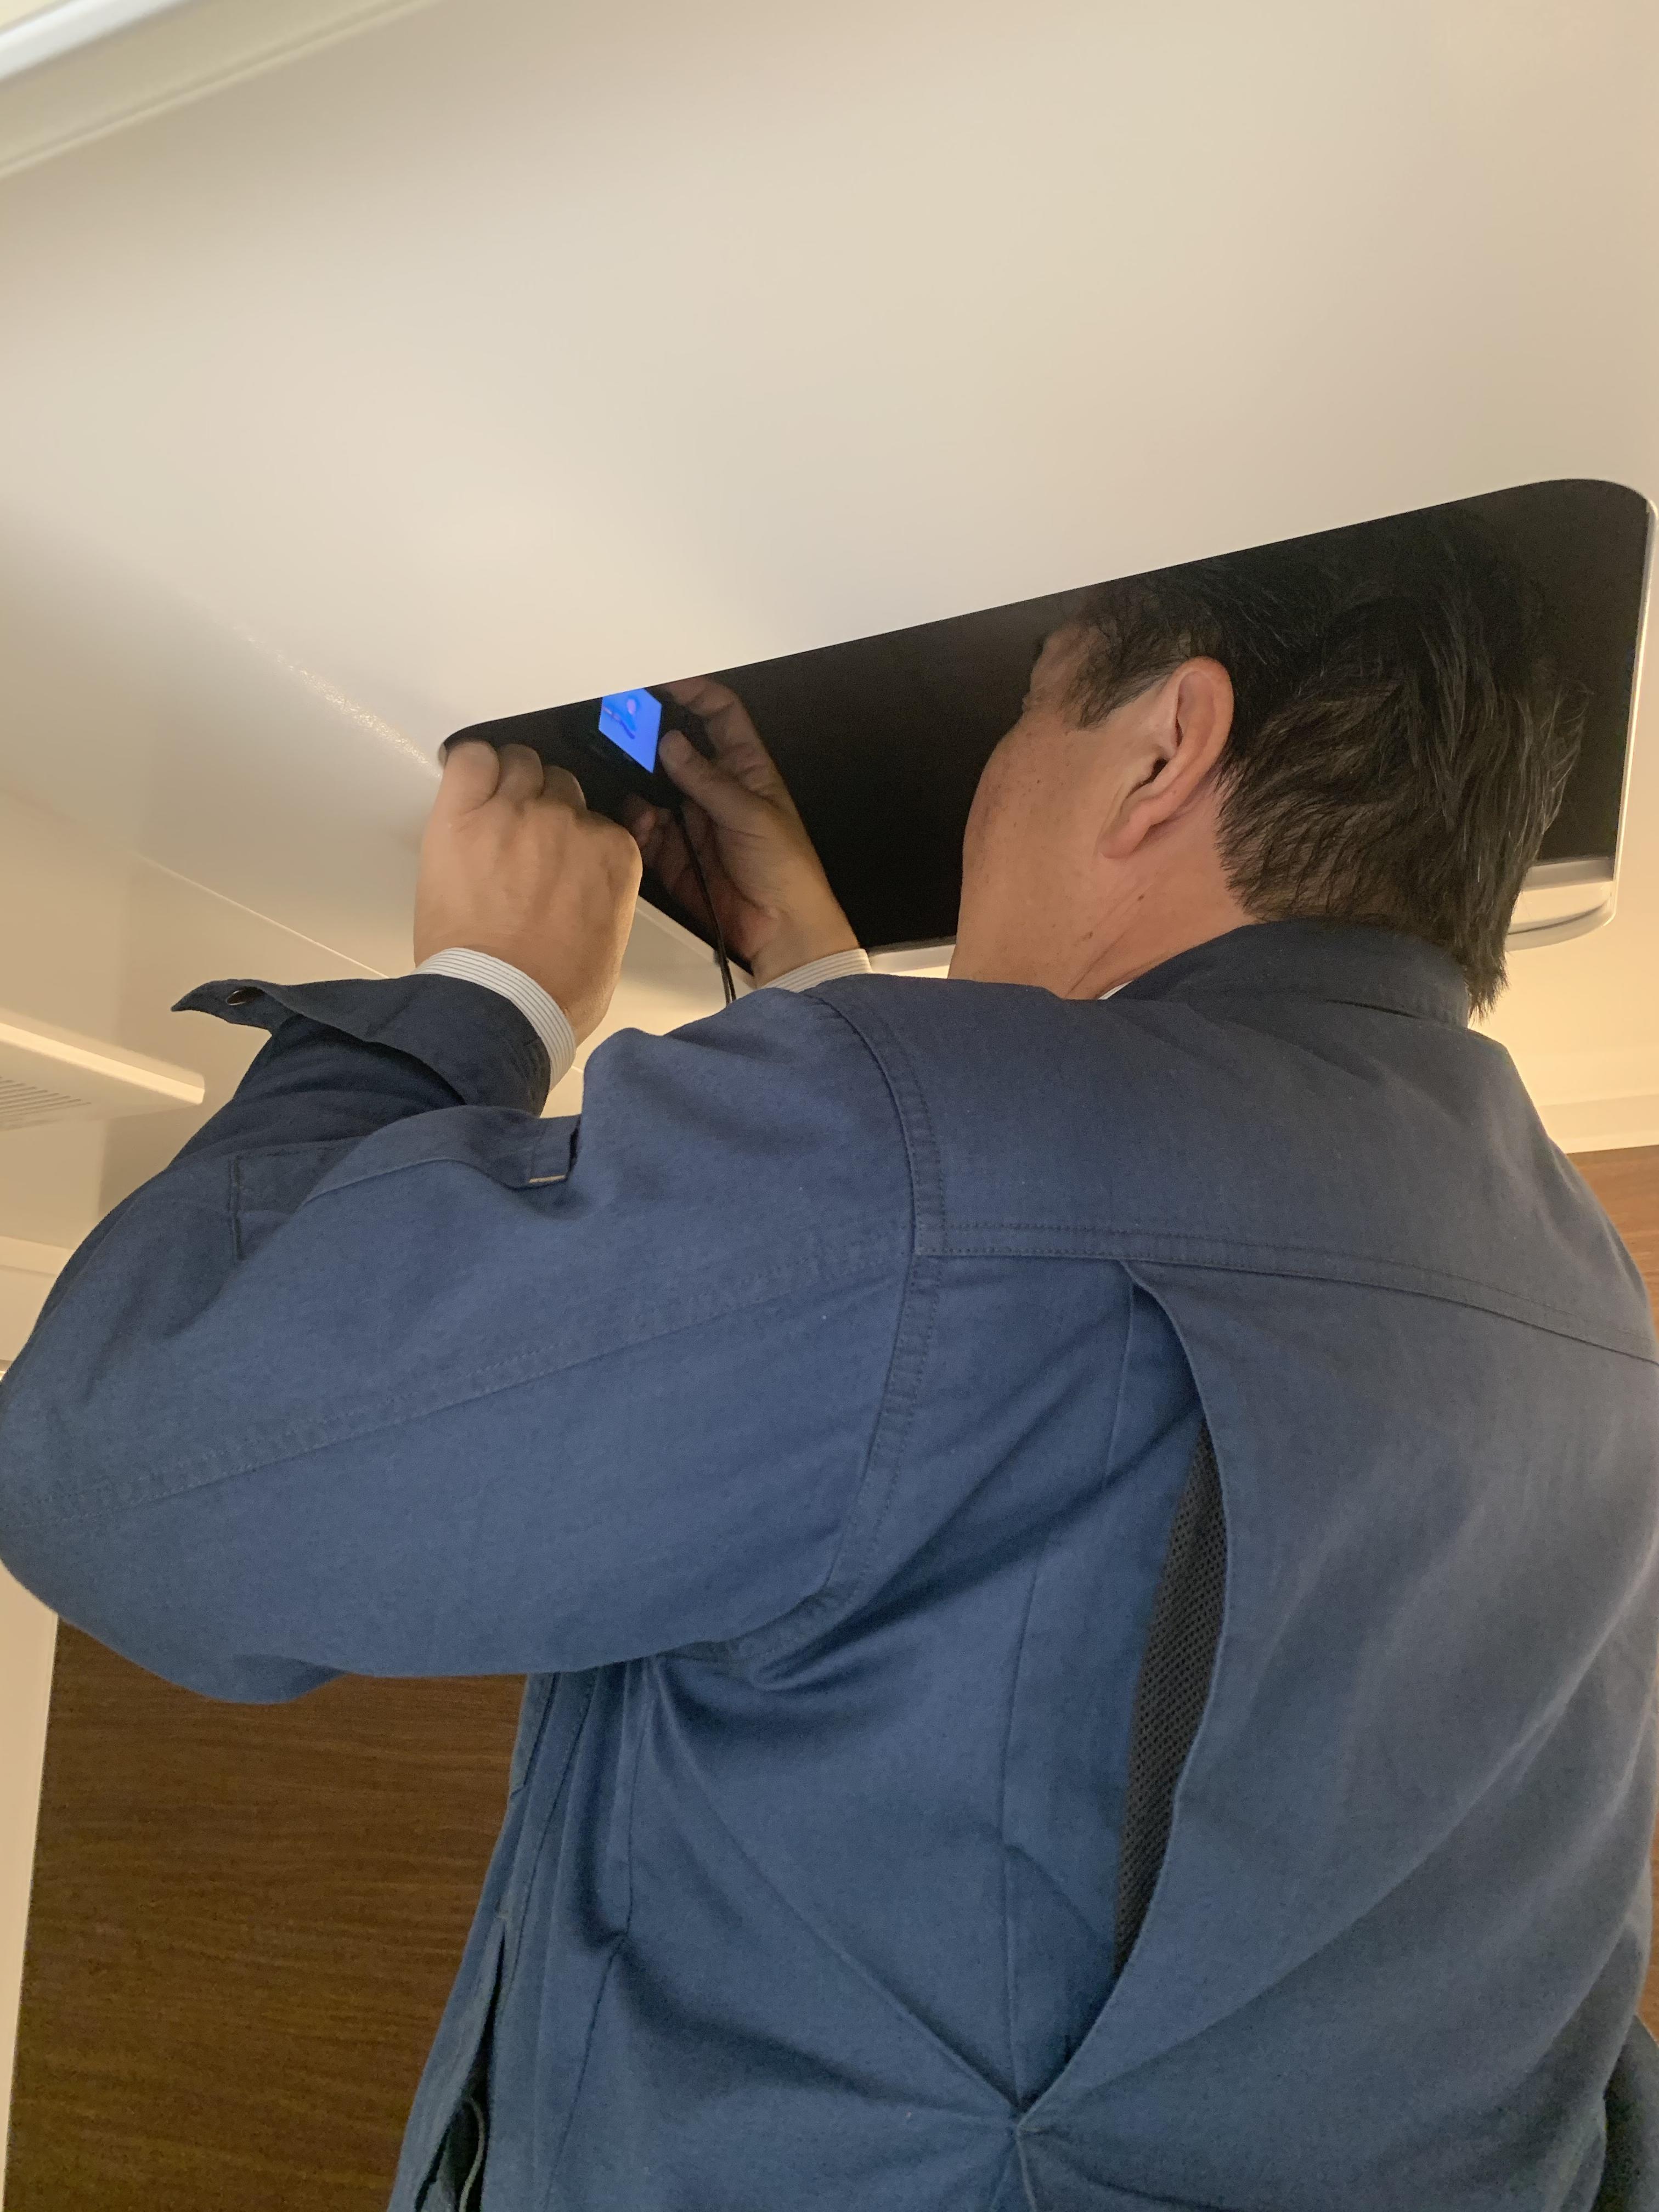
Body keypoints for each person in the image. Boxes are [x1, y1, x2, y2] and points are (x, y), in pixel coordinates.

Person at [0, 512, 1655, 2212]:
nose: (987, 789)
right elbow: (1011, 1406)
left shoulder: (945, 1165)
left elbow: (121, 1465)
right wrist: (828, 990)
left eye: (1027, 714)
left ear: (1168, 748)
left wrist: (485, 993)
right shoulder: (1583, 1301)